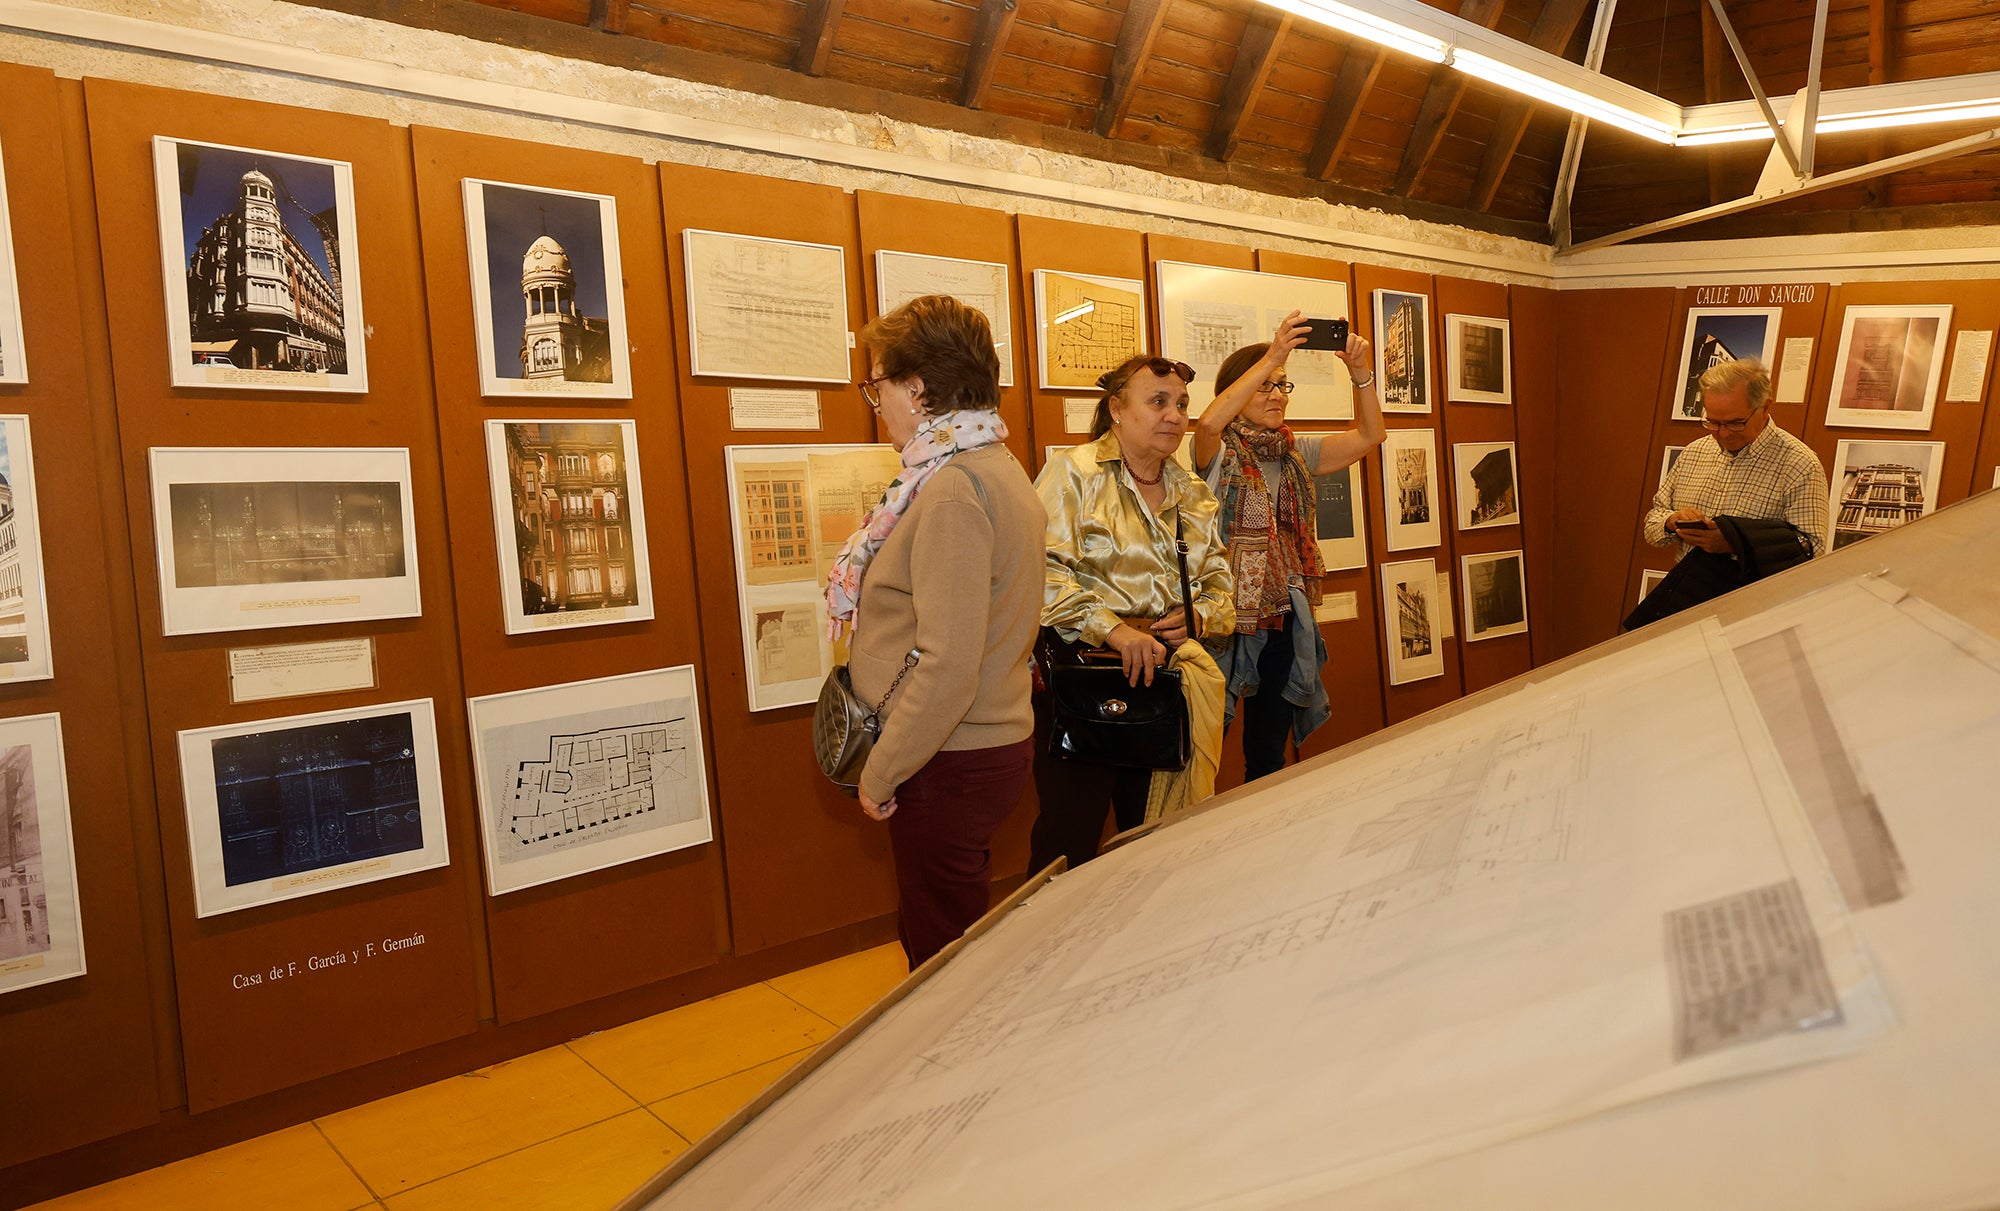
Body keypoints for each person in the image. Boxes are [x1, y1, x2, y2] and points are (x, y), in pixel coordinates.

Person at [826, 295, 1044, 968]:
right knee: (945, 930)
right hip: (970, 752)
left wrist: (881, 771)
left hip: (946, 760)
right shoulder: (990, 467)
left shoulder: (951, 489)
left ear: (917, 389)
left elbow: (947, 665)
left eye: (878, 385)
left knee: (941, 959)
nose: (876, 402)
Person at [1028, 354, 1234, 876]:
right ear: (1116, 410)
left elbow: (1220, 585)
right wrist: (1115, 632)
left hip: (1164, 683)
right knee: (1068, 838)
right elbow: (1038, 574)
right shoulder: (1071, 474)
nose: (1175, 415)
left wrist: (1199, 619)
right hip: (1085, 677)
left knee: (1158, 839)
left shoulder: (1193, 492)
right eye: (1158, 402)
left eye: (1182, 404)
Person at [1190, 313, 1385, 782]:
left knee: (1267, 758)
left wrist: (1362, 376)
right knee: (1200, 752)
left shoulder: (1296, 453)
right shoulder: (1215, 452)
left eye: (1283, 385)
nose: (1277, 394)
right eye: (1264, 386)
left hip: (1282, 619)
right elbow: (1209, 420)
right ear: (1237, 392)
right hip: (1224, 620)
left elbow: (1370, 435)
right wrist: (1273, 354)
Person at [1644, 358, 1829, 559]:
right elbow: (1652, 524)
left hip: (1755, 590)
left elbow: (1813, 548)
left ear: (1765, 408)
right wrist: (1671, 522)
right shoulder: (1694, 453)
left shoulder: (1800, 465)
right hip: (1690, 587)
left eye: (1735, 423)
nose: (1723, 434)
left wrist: (1739, 544)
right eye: (1713, 422)